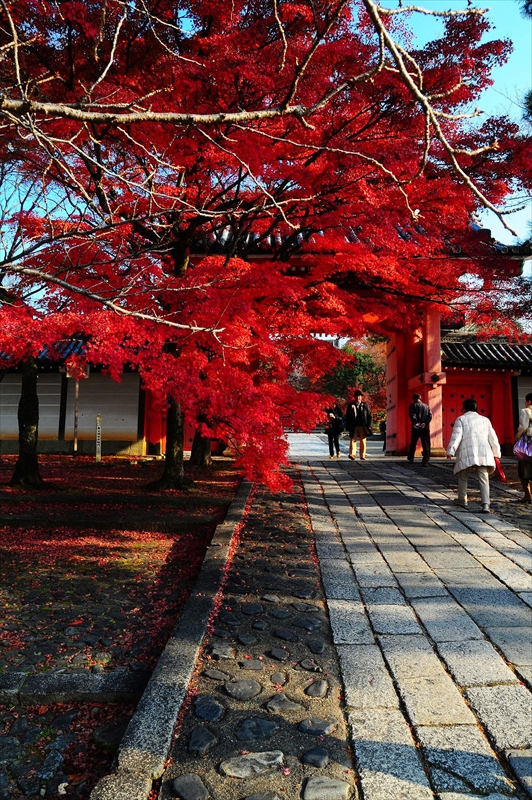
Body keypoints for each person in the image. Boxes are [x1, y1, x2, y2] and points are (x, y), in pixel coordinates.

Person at [446, 398, 501, 514]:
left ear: (464, 408)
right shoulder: (485, 420)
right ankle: (486, 504)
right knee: (483, 478)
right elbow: (493, 438)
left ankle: (462, 499)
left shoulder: (461, 419)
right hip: (483, 451)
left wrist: (451, 451)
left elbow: (457, 436)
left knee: (463, 476)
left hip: (467, 451)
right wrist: (496, 452)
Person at [515, 392, 532, 503]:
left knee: (524, 469)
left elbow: (523, 427)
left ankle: (527, 495)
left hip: (529, 443)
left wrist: (517, 436)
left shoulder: (526, 411)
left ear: (529, 401)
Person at [345, 389, 372, 460]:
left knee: (363, 440)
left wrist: (369, 425)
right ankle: (352, 454)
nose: (358, 398)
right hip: (354, 425)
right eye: (357, 396)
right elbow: (347, 416)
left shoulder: (365, 405)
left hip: (363, 425)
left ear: (361, 397)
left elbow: (369, 416)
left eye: (359, 396)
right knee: (353, 440)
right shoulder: (351, 405)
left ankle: (362, 455)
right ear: (354, 397)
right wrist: (347, 426)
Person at [408, 393, 432, 465]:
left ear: (414, 399)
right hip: (425, 427)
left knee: (413, 442)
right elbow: (430, 416)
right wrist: (425, 423)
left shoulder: (412, 406)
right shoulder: (426, 406)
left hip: (416, 426)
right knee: (426, 443)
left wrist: (416, 423)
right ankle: (426, 459)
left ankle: (411, 457)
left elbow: (412, 416)